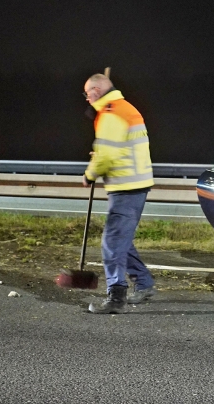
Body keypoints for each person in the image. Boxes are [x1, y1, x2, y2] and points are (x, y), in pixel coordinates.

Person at [81, 73, 156, 314]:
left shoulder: (111, 113)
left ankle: (116, 297)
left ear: (94, 91)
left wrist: (90, 173)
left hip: (127, 186)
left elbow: (107, 154)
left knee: (112, 242)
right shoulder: (124, 108)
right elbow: (118, 148)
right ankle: (144, 283)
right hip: (135, 183)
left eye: (87, 94)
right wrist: (102, 155)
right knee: (121, 239)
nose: (86, 100)